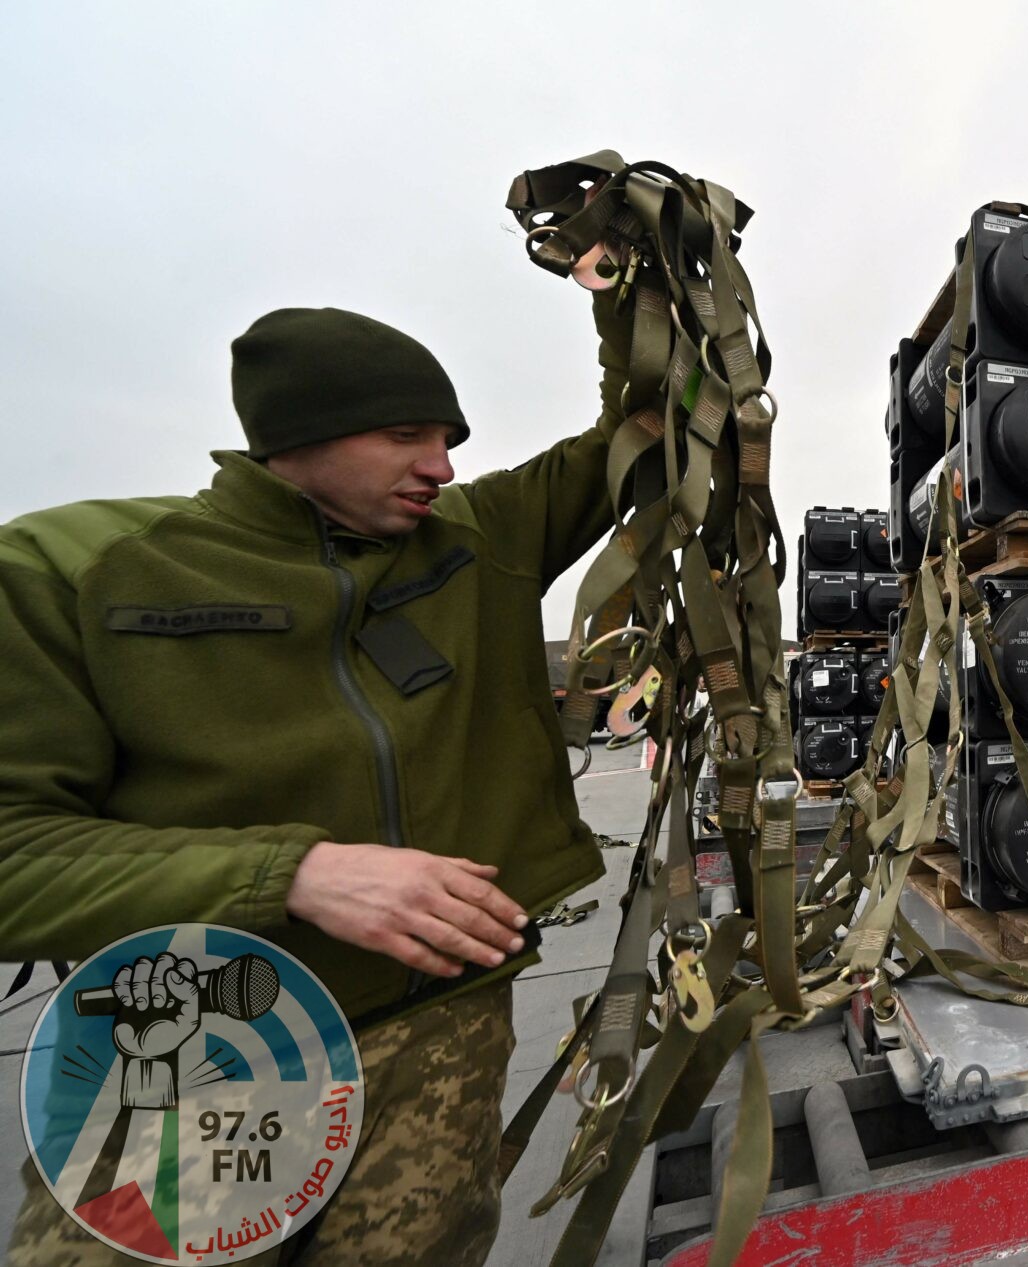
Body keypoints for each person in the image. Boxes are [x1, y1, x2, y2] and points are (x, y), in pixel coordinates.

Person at [1, 299, 626, 1264]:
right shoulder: (72, 570)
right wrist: (294, 873)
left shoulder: (482, 535)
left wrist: (630, 280)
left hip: (440, 1038)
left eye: (449, 439)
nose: (442, 466)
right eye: (405, 434)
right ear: (296, 434)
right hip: (186, 1054)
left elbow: (653, 427)